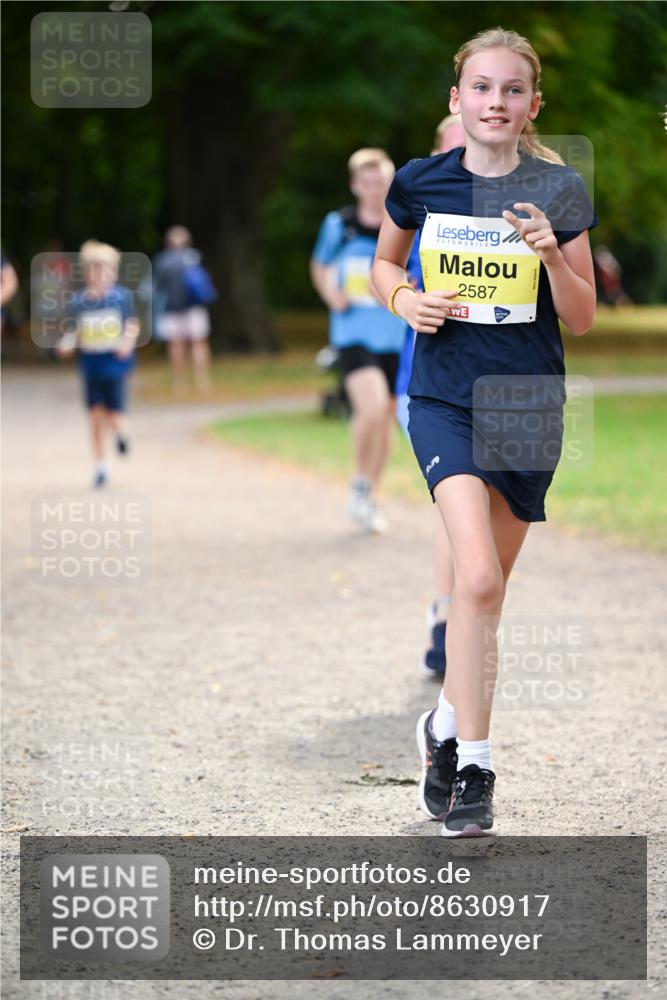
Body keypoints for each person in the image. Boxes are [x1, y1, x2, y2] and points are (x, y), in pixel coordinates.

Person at [372, 27, 597, 836]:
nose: (494, 101)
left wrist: (551, 257)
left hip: (527, 404)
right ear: (456, 99)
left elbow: (582, 316)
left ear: (532, 105)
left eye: (510, 90)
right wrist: (405, 300)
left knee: (488, 592)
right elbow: (383, 265)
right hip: (444, 397)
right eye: (480, 87)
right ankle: (474, 765)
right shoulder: (419, 180)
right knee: (472, 580)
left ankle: (441, 722)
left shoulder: (557, 189)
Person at [394, 114, 465, 680]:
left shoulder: (516, 203)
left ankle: (461, 617)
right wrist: (407, 298)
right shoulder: (421, 204)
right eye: (455, 140)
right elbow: (384, 270)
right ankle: (446, 618)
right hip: (426, 382)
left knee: (479, 511)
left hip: (498, 385)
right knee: (454, 502)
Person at [310, 149, 407, 534]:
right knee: (372, 408)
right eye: (367, 183)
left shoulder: (404, 222)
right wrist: (329, 293)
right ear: (355, 186)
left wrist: (404, 291)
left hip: (395, 336)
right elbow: (320, 264)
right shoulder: (340, 224)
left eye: (381, 181)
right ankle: (360, 484)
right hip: (352, 333)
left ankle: (368, 492)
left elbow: (416, 269)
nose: (374, 189)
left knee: (385, 419)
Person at [56, 241, 139, 488]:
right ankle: (101, 466)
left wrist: (127, 343)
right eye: (96, 269)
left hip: (114, 363)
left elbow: (132, 325)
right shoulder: (79, 301)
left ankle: (121, 435)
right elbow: (74, 330)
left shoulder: (121, 298)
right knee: (94, 416)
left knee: (114, 415)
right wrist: (67, 343)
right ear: (88, 272)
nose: (102, 275)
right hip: (91, 364)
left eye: (107, 269)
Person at [152, 226, 214, 393]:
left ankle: (179, 382)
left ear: (167, 243)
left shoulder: (162, 260)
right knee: (198, 343)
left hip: (172, 309)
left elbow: (156, 287)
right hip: (195, 307)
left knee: (176, 345)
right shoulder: (195, 257)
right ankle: (202, 380)